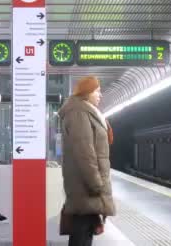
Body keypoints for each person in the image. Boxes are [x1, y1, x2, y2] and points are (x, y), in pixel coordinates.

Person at [58, 76, 116, 246]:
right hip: (85, 187)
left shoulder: (85, 111)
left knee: (85, 232)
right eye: (97, 91)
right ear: (87, 92)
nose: (100, 95)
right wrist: (96, 183)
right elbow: (85, 151)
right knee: (82, 233)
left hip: (86, 187)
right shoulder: (78, 112)